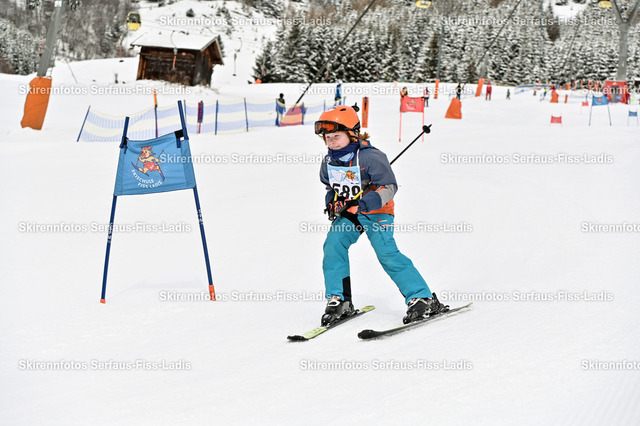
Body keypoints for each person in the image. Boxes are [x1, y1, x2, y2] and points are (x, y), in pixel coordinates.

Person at [314, 105, 447, 326]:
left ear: (352, 134)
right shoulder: (329, 161)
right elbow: (330, 187)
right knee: (333, 246)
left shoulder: (370, 157)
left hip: (377, 212)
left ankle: (421, 297)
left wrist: (367, 202)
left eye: (336, 136)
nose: (331, 142)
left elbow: (389, 187)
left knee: (386, 253)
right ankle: (339, 300)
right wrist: (332, 203)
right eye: (327, 138)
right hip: (350, 214)